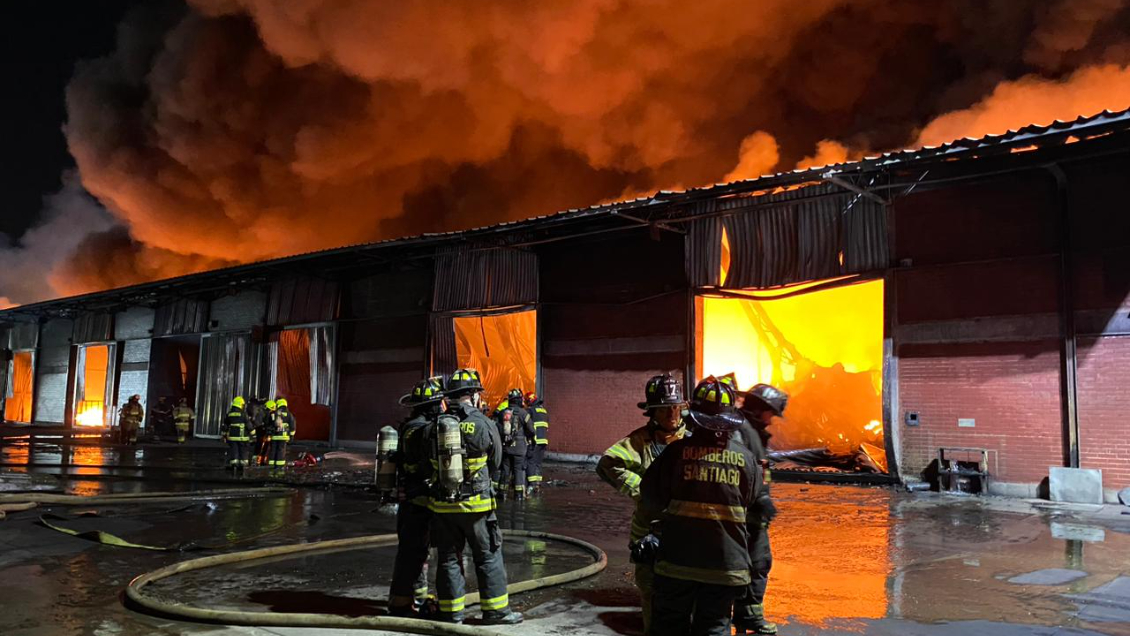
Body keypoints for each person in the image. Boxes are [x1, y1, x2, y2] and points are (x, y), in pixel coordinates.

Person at [638, 380, 763, 636]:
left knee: (669, 627)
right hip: (726, 569)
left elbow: (650, 499)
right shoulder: (747, 460)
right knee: (714, 627)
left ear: (694, 417)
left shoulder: (674, 454)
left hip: (676, 564)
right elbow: (752, 504)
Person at [428, 369, 522, 625]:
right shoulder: (483, 423)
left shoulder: (436, 425)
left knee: (448, 559)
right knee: (487, 555)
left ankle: (450, 613)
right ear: (474, 396)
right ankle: (496, 612)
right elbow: (497, 461)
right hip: (477, 506)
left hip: (443, 504)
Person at [595, 373, 687, 634]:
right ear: (651, 412)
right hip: (648, 533)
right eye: (664, 408)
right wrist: (642, 490)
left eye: (675, 407)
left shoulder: (690, 440)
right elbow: (607, 464)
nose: (671, 413)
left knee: (683, 596)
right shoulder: (639, 442)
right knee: (651, 593)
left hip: (684, 534)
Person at [731, 383, 789, 636]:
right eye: (771, 412)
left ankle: (747, 616)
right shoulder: (741, 429)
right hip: (744, 514)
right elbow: (742, 469)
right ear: (761, 408)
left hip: (751, 513)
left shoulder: (749, 428)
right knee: (756, 563)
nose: (773, 419)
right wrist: (759, 499)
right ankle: (747, 618)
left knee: (755, 563)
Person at [388, 376, 445, 618]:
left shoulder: (406, 428)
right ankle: (415, 605)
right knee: (434, 553)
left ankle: (406, 601)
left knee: (410, 554)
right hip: (425, 500)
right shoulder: (428, 431)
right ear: (433, 406)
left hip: (408, 500)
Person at [495, 388, 532, 501]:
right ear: (519, 400)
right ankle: (518, 496)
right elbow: (532, 430)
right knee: (519, 471)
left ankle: (502, 494)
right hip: (519, 449)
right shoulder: (523, 413)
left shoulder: (502, 413)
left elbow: (498, 429)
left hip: (506, 447)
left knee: (505, 470)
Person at [524, 391, 549, 494]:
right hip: (544, 441)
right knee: (538, 462)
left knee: (531, 461)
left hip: (535, 440)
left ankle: (532, 484)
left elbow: (527, 425)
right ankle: (538, 483)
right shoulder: (544, 411)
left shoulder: (530, 410)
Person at [223, 396, 253, 473]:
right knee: (243, 451)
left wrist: (224, 434)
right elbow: (248, 425)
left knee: (234, 450)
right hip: (242, 438)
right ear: (240, 404)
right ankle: (242, 467)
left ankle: (234, 465)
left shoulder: (229, 414)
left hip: (232, 438)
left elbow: (225, 425)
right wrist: (253, 433)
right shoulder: (243, 414)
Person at [268, 398, 296, 470]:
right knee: (281, 450)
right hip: (283, 436)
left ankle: (271, 465)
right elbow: (292, 426)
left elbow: (270, 423)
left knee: (273, 449)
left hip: (274, 436)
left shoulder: (275, 413)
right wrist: (291, 436)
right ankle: (279, 466)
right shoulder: (289, 414)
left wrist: (269, 433)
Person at [257, 400, 276, 466]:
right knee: (265, 448)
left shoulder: (264, 413)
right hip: (267, 434)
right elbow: (271, 424)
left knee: (263, 447)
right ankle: (261, 461)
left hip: (264, 433)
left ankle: (260, 461)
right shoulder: (270, 414)